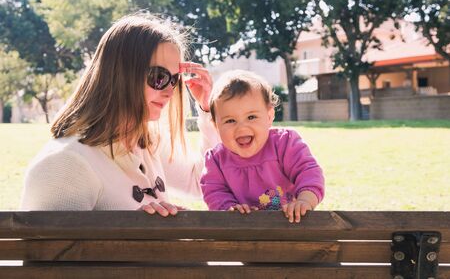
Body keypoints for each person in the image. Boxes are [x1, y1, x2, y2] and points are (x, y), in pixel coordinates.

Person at [20, 12, 219, 216]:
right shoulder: (65, 166)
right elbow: (53, 248)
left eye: (174, 80)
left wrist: (207, 110)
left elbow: (201, 181)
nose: (169, 91)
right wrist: (138, 231)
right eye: (159, 77)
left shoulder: (147, 142)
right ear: (120, 76)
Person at [200, 70, 325, 223]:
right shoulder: (216, 160)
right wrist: (229, 209)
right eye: (230, 121)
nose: (242, 128)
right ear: (215, 125)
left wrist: (304, 201)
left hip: (290, 224)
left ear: (269, 116)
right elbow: (214, 191)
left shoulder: (285, 143)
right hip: (243, 233)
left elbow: (308, 172)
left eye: (251, 117)